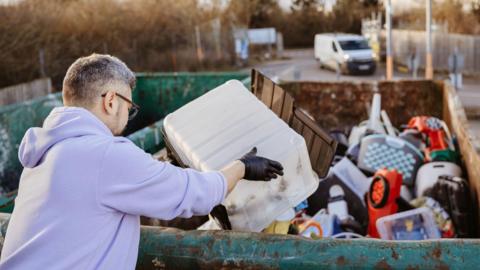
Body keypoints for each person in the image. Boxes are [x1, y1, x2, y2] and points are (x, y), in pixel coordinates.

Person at [0, 54, 283, 269]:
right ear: (111, 101)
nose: (128, 114)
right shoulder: (104, 154)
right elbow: (195, 195)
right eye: (129, 107)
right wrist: (242, 167)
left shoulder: (45, 155)